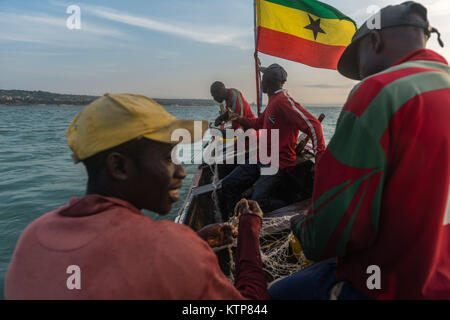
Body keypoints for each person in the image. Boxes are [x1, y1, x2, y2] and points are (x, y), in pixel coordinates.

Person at [5, 93, 269, 300]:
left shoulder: (32, 237)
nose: (179, 171)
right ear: (119, 167)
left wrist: (195, 241)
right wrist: (249, 231)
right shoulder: (171, 250)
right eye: (168, 158)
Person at [271, 1, 450, 300]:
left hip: (389, 286)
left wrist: (301, 226)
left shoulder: (381, 90)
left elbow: (335, 231)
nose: (361, 75)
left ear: (375, 41)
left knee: (273, 296)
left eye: (359, 63)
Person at [220, 64, 325, 217]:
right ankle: (235, 219)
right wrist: (237, 118)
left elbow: (314, 125)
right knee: (227, 184)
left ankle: (295, 208)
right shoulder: (273, 101)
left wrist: (319, 157)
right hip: (262, 157)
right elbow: (258, 123)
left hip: (278, 161)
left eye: (263, 79)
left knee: (259, 201)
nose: (261, 82)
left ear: (271, 81)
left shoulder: (284, 101)